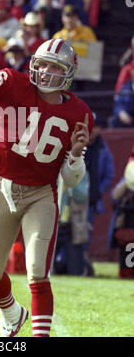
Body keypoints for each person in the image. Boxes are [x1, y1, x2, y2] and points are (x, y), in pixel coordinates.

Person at [0, 38, 93, 337]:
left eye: (54, 66)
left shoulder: (81, 114)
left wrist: (74, 155)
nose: (46, 72)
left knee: (37, 272)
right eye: (42, 64)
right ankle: (11, 312)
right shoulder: (12, 82)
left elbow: (72, 179)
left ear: (69, 72)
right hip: (2, 188)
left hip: (41, 194)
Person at [83, 112, 115, 275]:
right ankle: (65, 260)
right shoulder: (78, 144)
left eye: (96, 127)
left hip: (91, 198)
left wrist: (98, 190)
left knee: (86, 231)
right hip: (72, 198)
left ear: (100, 129)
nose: (93, 130)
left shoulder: (102, 148)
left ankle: (83, 260)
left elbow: (110, 173)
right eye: (90, 127)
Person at [54, 171, 90, 276]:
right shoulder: (51, 170)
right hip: (53, 223)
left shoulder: (80, 172)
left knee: (76, 269)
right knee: (45, 266)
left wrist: (70, 183)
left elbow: (82, 196)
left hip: (71, 226)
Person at [108, 160, 134, 278]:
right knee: (129, 248)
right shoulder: (129, 175)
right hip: (129, 222)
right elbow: (114, 196)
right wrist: (127, 181)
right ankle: (127, 274)